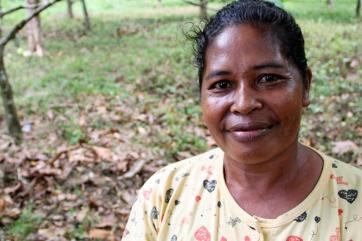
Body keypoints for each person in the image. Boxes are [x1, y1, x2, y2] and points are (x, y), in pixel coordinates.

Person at [122, 0, 362, 240]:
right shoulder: (165, 196)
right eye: (222, 85)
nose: (244, 104)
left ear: (305, 87)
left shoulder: (354, 203)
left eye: (268, 78)